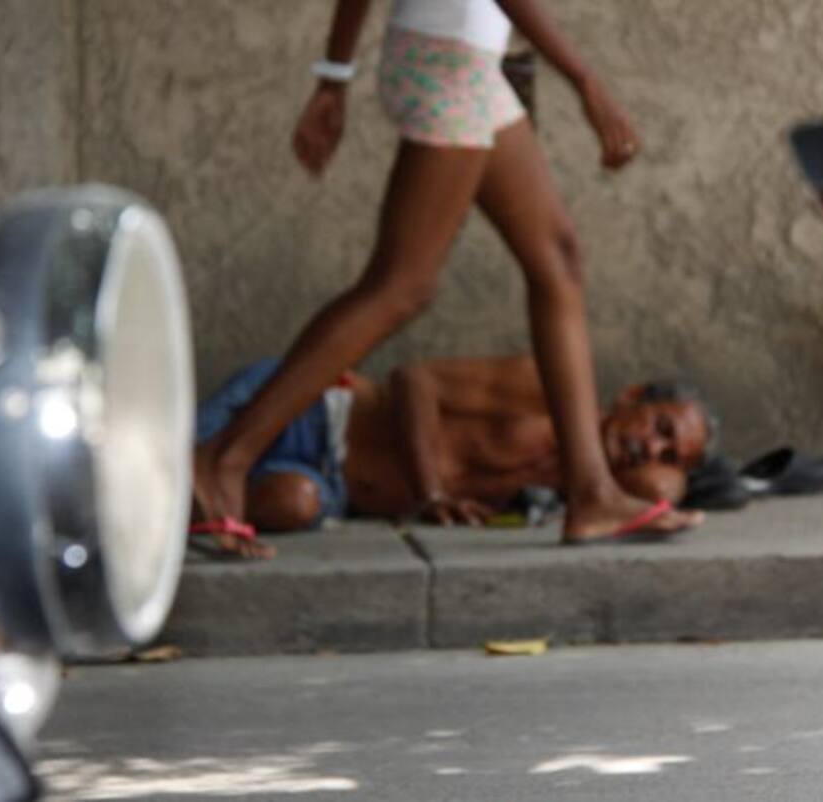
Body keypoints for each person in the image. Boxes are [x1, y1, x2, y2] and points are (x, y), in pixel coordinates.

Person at [192, 0, 702, 556]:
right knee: (400, 286)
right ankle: (226, 458)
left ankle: (592, 493)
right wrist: (584, 80)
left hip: (460, 59)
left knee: (557, 261)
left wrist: (335, 76)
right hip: (449, 61)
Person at [191, 355, 711, 558]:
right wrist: (430, 492)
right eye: (660, 427)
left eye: (669, 454)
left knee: (293, 503)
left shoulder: (580, 486)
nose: (652, 447)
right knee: (172, 469)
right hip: (311, 406)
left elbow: (662, 494)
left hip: (329, 486)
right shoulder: (542, 384)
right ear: (631, 396)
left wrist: (676, 477)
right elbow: (413, 379)